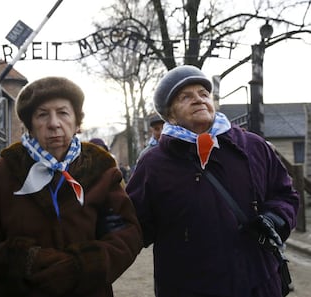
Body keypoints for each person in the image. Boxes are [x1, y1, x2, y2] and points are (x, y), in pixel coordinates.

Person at [0, 76, 142, 297]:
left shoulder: (102, 170)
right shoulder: (4, 170)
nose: (54, 123)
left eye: (63, 113)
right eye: (42, 114)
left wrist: (80, 267)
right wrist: (24, 264)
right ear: (30, 125)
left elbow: (126, 234)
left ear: (77, 122)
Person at [126, 65, 299, 297]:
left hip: (258, 282)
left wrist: (275, 218)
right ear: (170, 115)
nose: (198, 100)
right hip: (189, 286)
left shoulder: (253, 146)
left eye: (203, 94)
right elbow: (133, 225)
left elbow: (285, 195)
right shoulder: (153, 164)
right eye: (185, 96)